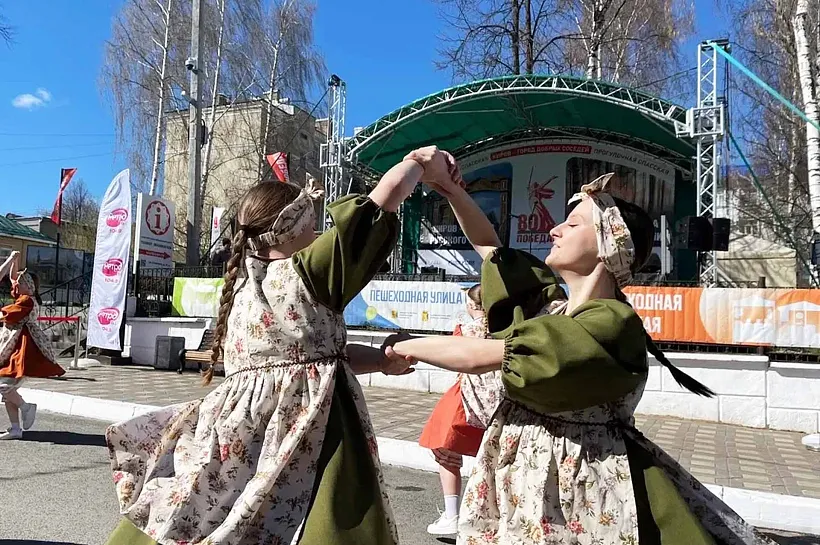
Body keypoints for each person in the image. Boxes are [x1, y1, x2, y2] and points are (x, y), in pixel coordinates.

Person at [384, 165, 775, 544]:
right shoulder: (552, 309)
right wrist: (451, 189)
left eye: (572, 224)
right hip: (525, 482)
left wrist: (401, 348)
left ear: (609, 245)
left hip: (577, 490)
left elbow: (483, 356)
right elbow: (493, 252)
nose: (554, 229)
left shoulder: (611, 322)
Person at [103, 149, 457, 545]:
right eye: (312, 227)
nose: (318, 235)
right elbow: (375, 208)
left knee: (207, 520)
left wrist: (380, 360)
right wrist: (419, 162)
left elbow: (317, 359)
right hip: (312, 432)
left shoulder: (240, 289)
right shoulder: (306, 273)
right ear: (291, 227)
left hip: (238, 441)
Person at [419, 283, 502, 536]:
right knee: (496, 456)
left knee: (443, 446)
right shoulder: (505, 330)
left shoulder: (464, 331)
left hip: (465, 399)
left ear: (472, 305)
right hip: (501, 402)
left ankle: (452, 514)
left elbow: (452, 358)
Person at [0, 251, 65, 440]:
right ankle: (15, 429)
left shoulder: (27, 300)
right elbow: (13, 278)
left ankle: (26, 407)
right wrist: (14, 260)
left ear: (27, 285)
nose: (15, 285)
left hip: (22, 348)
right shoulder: (25, 296)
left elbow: (7, 314)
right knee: (7, 390)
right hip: (15, 346)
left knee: (4, 386)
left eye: (20, 283)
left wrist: (12, 261)